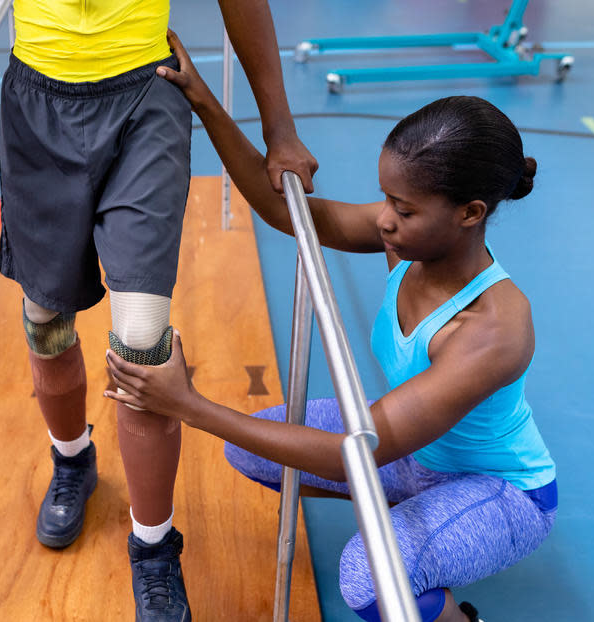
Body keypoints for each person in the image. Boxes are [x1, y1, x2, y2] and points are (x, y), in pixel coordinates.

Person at [0, 4, 317, 621]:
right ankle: (72, 456)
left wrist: (279, 130)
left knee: (141, 343)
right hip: (37, 107)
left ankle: (154, 549)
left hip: (146, 97)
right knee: (45, 321)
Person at [104, 31, 557, 622]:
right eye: (385, 200)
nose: (385, 221)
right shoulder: (408, 242)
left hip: (501, 490)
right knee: (257, 449)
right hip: (413, 458)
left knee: (368, 579)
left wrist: (192, 406)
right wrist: (205, 102)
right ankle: (413, 519)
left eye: (405, 209)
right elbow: (282, 211)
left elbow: (356, 454)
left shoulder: (494, 327)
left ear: (470, 213)